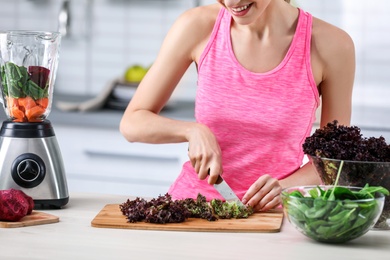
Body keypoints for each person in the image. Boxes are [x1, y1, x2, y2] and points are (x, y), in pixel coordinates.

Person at [120, 0, 355, 212]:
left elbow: (335, 161)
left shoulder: (331, 45)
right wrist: (193, 131)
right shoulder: (197, 26)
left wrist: (284, 187)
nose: (231, 2)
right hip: (191, 213)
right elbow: (132, 122)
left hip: (274, 219)